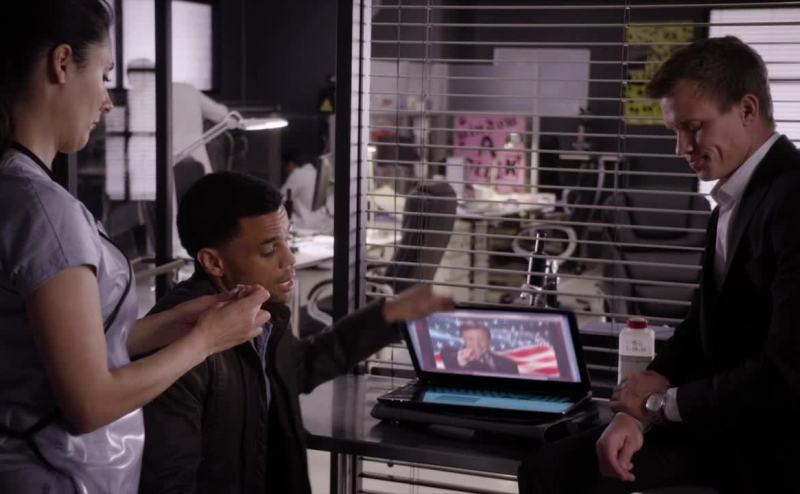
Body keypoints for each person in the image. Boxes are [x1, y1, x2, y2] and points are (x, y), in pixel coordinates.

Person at [0, 2, 269, 492]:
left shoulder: (17, 190)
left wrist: (177, 323)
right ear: (62, 63)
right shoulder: (44, 211)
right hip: (55, 476)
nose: (108, 102)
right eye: (104, 75)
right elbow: (89, 403)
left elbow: (62, 351)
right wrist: (206, 341)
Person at [518, 35, 800, 493]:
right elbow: (700, 329)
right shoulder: (733, 197)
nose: (680, 147)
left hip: (772, 441)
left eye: (693, 127)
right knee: (549, 466)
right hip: (718, 420)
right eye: (675, 131)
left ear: (747, 109)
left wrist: (659, 405)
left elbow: (787, 375)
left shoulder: (792, 197)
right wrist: (635, 411)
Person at [139, 171, 454, 493]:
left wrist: (386, 316)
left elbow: (295, 368)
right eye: (268, 251)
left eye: (287, 241)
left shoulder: (257, 307)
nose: (289, 260)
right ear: (213, 262)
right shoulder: (179, 346)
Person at [441, 325, 519, 374]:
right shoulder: (452, 358)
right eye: (470, 339)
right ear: (463, 341)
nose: (476, 344)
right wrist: (463, 362)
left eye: (482, 339)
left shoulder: (509, 365)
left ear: (489, 340)